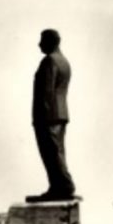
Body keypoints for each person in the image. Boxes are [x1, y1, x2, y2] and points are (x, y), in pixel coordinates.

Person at [27, 28, 76, 203]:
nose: (39, 44)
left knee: (51, 152)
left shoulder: (49, 61)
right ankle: (59, 186)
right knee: (57, 152)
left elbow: (46, 91)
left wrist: (41, 117)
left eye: (42, 40)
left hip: (48, 115)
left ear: (50, 42)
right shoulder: (64, 62)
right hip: (60, 113)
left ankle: (63, 186)